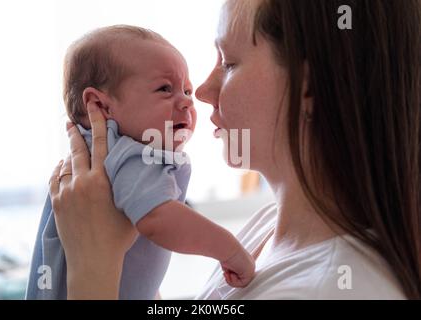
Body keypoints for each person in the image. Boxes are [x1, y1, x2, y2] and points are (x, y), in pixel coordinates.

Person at [47, 0, 421, 299]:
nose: (203, 94)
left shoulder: (329, 288)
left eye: (228, 63)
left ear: (310, 87)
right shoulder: (267, 229)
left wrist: (92, 269)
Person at [26, 25, 255, 300]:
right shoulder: (131, 153)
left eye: (186, 90)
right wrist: (229, 249)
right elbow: (158, 219)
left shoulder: (101, 158)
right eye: (164, 89)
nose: (186, 102)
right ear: (101, 106)